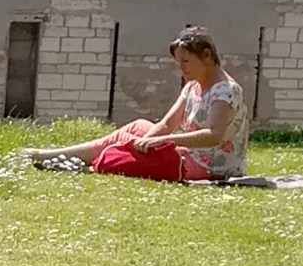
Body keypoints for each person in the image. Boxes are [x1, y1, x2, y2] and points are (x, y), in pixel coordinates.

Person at [28, 26, 251, 181]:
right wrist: (145, 142)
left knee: (119, 158)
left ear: (206, 55)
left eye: (186, 61)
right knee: (137, 128)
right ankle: (60, 154)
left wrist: (162, 141)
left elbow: (213, 135)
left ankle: (73, 158)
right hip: (186, 153)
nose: (181, 67)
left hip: (209, 166)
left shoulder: (225, 90)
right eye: (178, 62)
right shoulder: (192, 86)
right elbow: (166, 123)